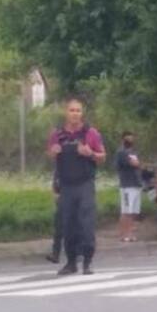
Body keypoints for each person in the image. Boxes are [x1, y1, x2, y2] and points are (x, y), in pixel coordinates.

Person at [46, 97, 106, 275]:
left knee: (86, 223)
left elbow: (103, 157)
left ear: (82, 113)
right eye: (72, 110)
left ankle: (88, 261)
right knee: (68, 225)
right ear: (66, 112)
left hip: (85, 184)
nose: (75, 114)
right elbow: (49, 153)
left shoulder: (91, 133)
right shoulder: (57, 135)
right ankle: (71, 262)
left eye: (78, 110)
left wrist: (90, 153)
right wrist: (53, 152)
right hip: (66, 185)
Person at [116, 131, 142, 242]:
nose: (130, 141)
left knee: (133, 212)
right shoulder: (121, 152)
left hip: (136, 184)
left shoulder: (133, 152)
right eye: (127, 139)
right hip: (127, 185)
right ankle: (123, 234)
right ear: (123, 140)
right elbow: (135, 164)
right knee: (126, 211)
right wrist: (136, 163)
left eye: (131, 139)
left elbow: (137, 163)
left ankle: (130, 233)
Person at [45, 170, 63, 264]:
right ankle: (55, 253)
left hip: (72, 193)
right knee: (58, 226)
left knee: (75, 225)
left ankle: (79, 252)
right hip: (61, 196)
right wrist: (55, 193)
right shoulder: (58, 166)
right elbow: (55, 181)